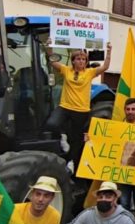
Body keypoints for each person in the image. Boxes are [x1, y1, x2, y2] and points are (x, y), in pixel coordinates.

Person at [45, 44, 111, 172]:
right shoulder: (66, 70)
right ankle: (62, 136)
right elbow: (52, 61)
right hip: (65, 106)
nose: (81, 61)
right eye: (78, 59)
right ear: (73, 61)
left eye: (83, 59)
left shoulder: (89, 72)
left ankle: (70, 162)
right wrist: (49, 47)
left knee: (76, 139)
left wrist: (108, 52)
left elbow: (105, 67)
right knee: (51, 123)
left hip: (81, 110)